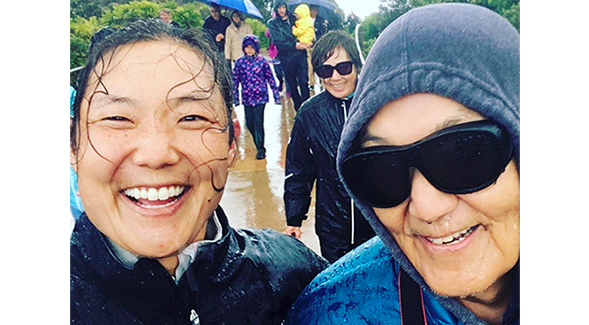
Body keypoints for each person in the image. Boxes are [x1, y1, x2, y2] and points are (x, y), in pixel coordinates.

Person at [70, 19, 328, 325]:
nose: (156, 155)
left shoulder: (296, 276)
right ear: (72, 143)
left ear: (232, 141)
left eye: (191, 117)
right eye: (117, 118)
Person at [285, 3, 520, 325]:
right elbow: (300, 168)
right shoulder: (334, 313)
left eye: (464, 154)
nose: (427, 208)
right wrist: (294, 216)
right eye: (380, 168)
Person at [283, 31, 375, 264]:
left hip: (379, 225)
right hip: (332, 228)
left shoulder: (376, 105)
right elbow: (299, 169)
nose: (335, 77)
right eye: (325, 70)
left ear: (356, 66)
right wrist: (294, 219)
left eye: (343, 68)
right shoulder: (309, 113)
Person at [232, 35, 281, 160]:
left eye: (251, 47)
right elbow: (235, 82)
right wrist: (235, 98)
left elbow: (270, 78)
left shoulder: (262, 62)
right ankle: (257, 141)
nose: (249, 50)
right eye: (247, 47)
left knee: (259, 122)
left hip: (261, 96)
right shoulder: (239, 63)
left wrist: (276, 96)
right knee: (250, 123)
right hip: (247, 97)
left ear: (256, 48)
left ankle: (260, 148)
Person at [267, 0, 310, 111]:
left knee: (304, 82)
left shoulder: (294, 18)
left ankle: (307, 110)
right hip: (286, 57)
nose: (281, 10)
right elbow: (278, 41)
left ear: (286, 7)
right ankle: (298, 109)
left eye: (283, 7)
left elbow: (307, 26)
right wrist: (295, 45)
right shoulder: (273, 23)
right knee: (292, 85)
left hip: (300, 56)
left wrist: (309, 40)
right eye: (279, 8)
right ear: (276, 9)